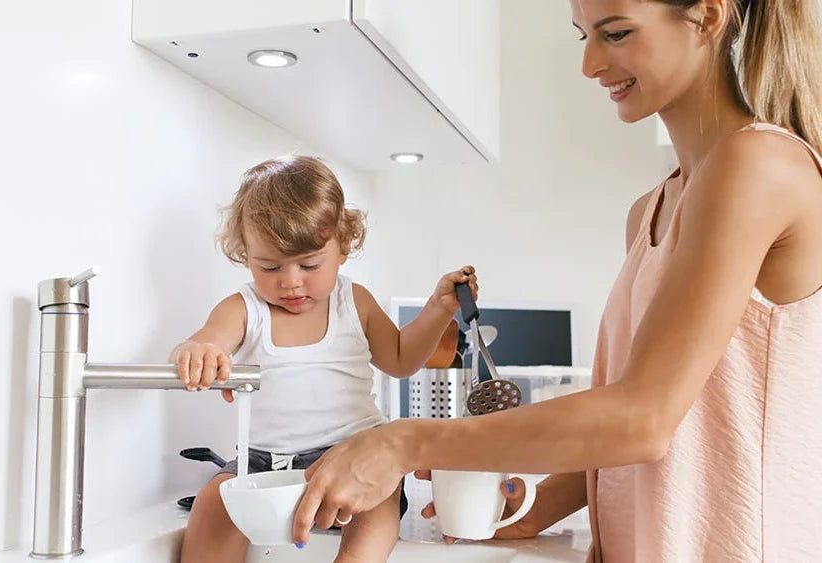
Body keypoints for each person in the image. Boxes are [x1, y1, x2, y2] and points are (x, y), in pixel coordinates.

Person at [290, 1, 822, 561]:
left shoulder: (758, 164)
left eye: (615, 34)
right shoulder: (651, 210)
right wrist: (539, 506)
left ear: (707, 17)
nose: (591, 64)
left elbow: (642, 418)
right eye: (583, 37)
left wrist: (402, 441)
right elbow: (652, 420)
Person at [172, 155, 478, 563]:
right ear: (246, 255)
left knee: (377, 505)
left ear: (343, 247)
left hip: (353, 453)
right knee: (214, 501)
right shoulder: (244, 308)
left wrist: (439, 310)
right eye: (270, 266)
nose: (291, 281)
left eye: (310, 264)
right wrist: (197, 352)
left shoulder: (354, 302)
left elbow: (402, 359)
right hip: (264, 462)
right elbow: (207, 339)